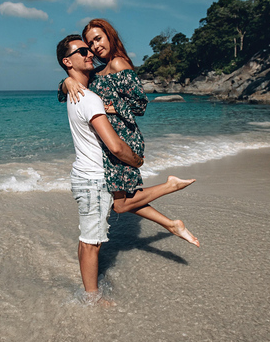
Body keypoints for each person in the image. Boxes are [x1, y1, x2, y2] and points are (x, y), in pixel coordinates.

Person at [57, 35, 198, 305]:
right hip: (94, 176)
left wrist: (71, 81)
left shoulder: (84, 91)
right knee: (91, 241)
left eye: (93, 45)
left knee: (115, 211)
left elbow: (138, 104)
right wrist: (136, 160)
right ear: (67, 61)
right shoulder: (86, 97)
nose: (91, 52)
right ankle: (92, 299)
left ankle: (170, 221)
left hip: (89, 174)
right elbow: (116, 146)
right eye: (84, 49)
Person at [60, 19, 198, 239]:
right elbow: (69, 90)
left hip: (123, 139)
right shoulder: (96, 71)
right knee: (123, 200)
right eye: (89, 43)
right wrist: (67, 82)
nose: (95, 47)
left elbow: (140, 105)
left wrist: (109, 108)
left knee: (121, 204)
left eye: (98, 39)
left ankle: (170, 187)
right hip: (109, 140)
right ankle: (172, 225)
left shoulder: (118, 64)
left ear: (110, 35)